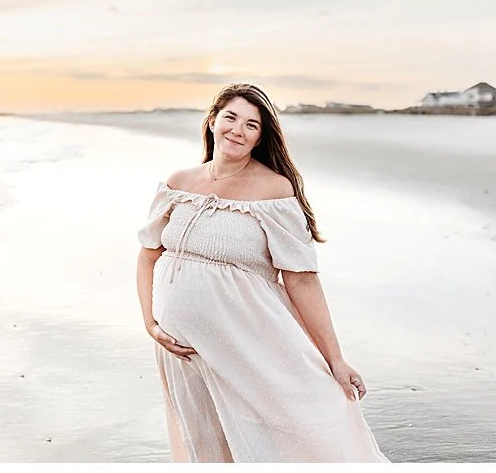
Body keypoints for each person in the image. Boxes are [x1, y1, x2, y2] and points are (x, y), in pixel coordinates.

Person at [136, 83, 386, 463]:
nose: (238, 130)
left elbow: (301, 278)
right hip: (182, 348)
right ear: (212, 121)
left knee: (283, 429)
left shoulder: (273, 189)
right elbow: (148, 255)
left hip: (250, 341)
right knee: (204, 439)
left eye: (251, 125)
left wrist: (335, 358)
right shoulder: (179, 183)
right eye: (231, 118)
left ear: (259, 137)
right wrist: (150, 323)